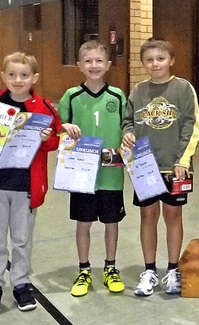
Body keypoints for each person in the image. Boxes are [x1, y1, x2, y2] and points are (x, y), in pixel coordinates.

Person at [122, 38, 199, 297]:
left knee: (173, 216)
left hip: (174, 167)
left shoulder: (183, 88)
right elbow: (127, 122)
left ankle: (173, 269)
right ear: (143, 63)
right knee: (147, 217)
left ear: (171, 60)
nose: (155, 64)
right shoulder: (138, 91)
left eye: (160, 58)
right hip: (144, 166)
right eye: (149, 60)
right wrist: (128, 133)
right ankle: (149, 270)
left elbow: (191, 127)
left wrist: (183, 160)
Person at [57, 41, 128, 297]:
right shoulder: (71, 96)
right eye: (88, 61)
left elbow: (128, 126)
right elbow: (58, 128)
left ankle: (111, 267)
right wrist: (64, 128)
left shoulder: (118, 96)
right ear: (79, 66)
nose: (94, 65)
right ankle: (84, 269)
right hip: (81, 176)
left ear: (108, 65)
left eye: (99, 60)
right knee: (83, 223)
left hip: (111, 176)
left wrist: (128, 136)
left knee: (111, 223)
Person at [0, 52, 61, 311]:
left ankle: (21, 284)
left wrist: (47, 137)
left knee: (22, 239)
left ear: (34, 78)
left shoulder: (43, 107)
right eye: (12, 75)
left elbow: (55, 140)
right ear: (4, 76)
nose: (17, 80)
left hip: (26, 185)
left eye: (24, 75)